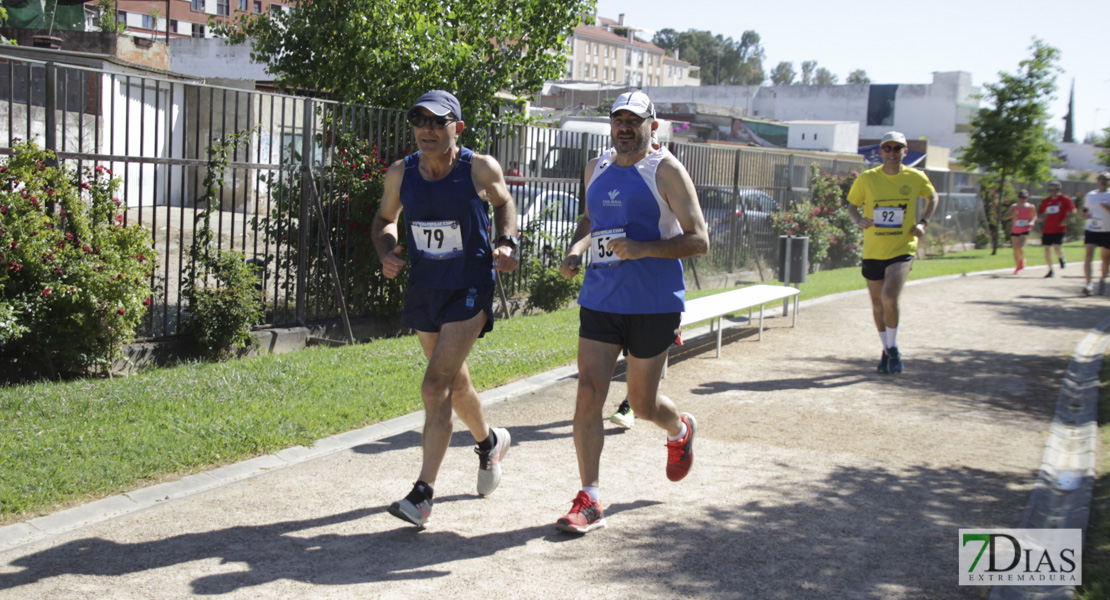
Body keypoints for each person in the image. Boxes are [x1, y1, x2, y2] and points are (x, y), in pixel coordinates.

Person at [556, 91, 709, 534]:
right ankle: (590, 498)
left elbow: (699, 240)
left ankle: (679, 430)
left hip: (654, 303)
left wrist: (644, 248)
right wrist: (576, 248)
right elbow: (591, 220)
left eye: (634, 120)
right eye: (618, 118)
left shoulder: (666, 171)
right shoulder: (596, 167)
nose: (624, 126)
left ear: (652, 126)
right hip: (601, 298)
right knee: (588, 391)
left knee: (641, 405)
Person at [371, 90, 520, 527]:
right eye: (419, 121)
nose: (427, 130)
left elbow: (504, 202)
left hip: (469, 287)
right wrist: (387, 250)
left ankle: (423, 495)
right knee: (455, 386)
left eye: (438, 121)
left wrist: (506, 241)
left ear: (458, 127)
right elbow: (384, 220)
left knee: (435, 384)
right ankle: (490, 442)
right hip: (426, 287)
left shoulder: (479, 167)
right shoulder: (402, 173)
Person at [846, 131, 938, 375]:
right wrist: (859, 220)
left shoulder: (915, 176)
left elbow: (933, 197)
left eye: (897, 148)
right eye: (887, 148)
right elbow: (852, 205)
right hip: (874, 249)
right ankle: (887, 349)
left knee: (889, 297)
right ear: (881, 151)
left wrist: (923, 223)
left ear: (904, 152)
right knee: (877, 306)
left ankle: (893, 348)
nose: (892, 153)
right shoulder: (867, 178)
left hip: (902, 247)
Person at [1080, 172, 1110, 296]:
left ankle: (1102, 279)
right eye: (1101, 179)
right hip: (1091, 229)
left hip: (1107, 230)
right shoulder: (1090, 195)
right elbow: (1084, 210)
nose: (1103, 181)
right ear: (1097, 181)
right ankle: (1089, 284)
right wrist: (1084, 215)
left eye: (1106, 179)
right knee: (1088, 255)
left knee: (1105, 259)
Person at [1038, 181, 1076, 278]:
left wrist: (1066, 219)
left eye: (1053, 189)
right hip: (1048, 229)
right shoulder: (1046, 201)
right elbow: (1040, 212)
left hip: (1060, 229)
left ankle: (1061, 257)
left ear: (1059, 189)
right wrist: (1040, 217)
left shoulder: (1065, 199)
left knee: (1057, 248)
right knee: (1047, 250)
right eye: (1050, 190)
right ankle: (1050, 270)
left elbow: (1073, 210)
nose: (1051, 192)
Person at [1004, 190, 1038, 274]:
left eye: (1024, 197)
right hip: (1015, 229)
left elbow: (1035, 216)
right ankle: (1017, 267)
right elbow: (1005, 216)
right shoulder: (1014, 206)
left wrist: (1032, 222)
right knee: (1015, 249)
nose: (1022, 199)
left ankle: (1022, 260)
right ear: (1018, 198)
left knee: (1019, 246)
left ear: (1027, 198)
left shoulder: (1031, 207)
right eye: (1021, 197)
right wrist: (1012, 215)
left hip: (1025, 229)